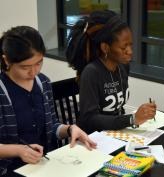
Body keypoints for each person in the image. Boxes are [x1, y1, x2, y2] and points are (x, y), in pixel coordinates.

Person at [0, 26, 97, 176]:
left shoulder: (42, 82)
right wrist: (18, 150)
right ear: (6, 60)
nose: (34, 72)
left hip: (44, 166)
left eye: (39, 63)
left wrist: (70, 129)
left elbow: (51, 125)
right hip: (10, 170)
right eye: (25, 67)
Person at [66, 10, 157, 134]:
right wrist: (132, 119)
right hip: (94, 138)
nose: (130, 51)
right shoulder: (91, 73)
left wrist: (137, 118)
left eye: (131, 45)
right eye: (124, 47)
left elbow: (118, 111)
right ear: (105, 48)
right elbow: (89, 119)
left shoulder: (123, 67)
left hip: (116, 133)